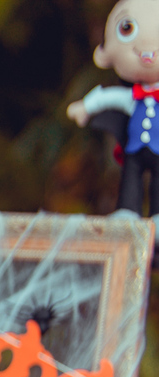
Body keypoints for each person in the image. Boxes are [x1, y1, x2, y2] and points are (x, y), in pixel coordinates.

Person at [67, 0, 159, 216]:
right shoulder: (131, 97)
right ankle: (127, 210)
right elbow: (107, 97)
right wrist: (85, 107)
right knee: (130, 179)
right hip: (134, 151)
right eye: (126, 28)